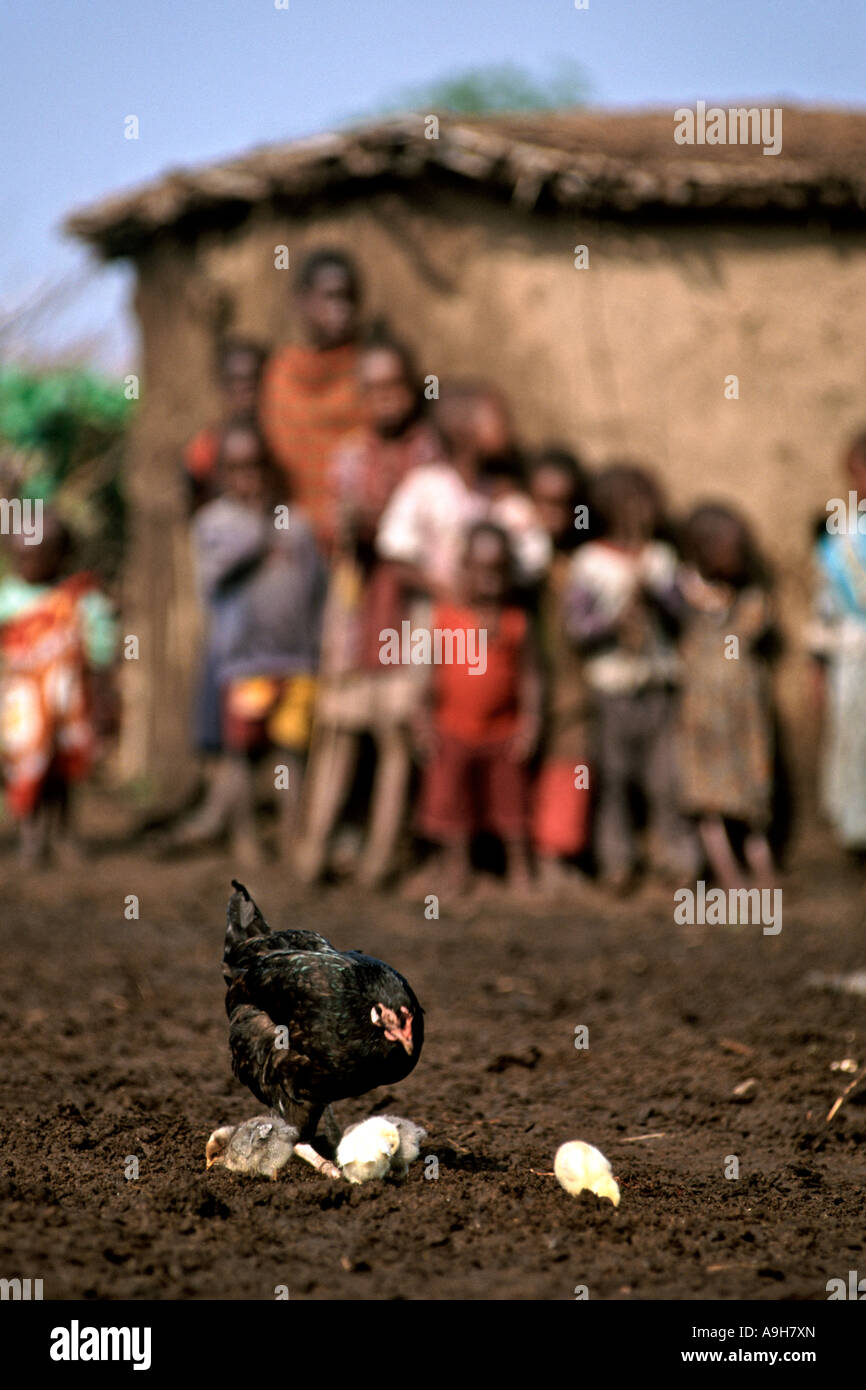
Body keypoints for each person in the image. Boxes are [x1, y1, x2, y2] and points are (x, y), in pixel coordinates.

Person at [295, 330, 439, 886]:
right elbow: (334, 533)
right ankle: (314, 849)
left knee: (397, 732)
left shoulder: (430, 454)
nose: (385, 397)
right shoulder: (351, 457)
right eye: (372, 387)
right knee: (339, 726)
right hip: (357, 608)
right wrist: (348, 527)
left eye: (394, 385)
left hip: (409, 608)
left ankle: (381, 855)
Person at [182, 421, 325, 862]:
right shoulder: (214, 524)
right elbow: (211, 580)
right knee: (241, 753)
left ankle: (292, 835)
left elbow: (318, 588)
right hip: (243, 660)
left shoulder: (296, 523)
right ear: (224, 474)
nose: (249, 478)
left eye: (257, 467)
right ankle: (244, 837)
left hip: (295, 658)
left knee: (291, 751)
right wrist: (260, 538)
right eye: (238, 469)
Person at [565, 463, 695, 891]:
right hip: (611, 686)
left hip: (656, 683)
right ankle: (617, 861)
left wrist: (655, 593)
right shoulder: (589, 562)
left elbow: (683, 613)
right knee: (613, 779)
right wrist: (613, 621)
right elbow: (577, 627)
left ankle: (676, 859)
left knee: (666, 779)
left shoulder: (661, 558)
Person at [413, 522, 542, 899]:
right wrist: (421, 720)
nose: (489, 580)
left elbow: (531, 677)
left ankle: (520, 869)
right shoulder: (446, 618)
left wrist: (531, 723)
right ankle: (458, 870)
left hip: (504, 732)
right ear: (464, 569)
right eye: (479, 570)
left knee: (512, 802)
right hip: (451, 729)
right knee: (451, 803)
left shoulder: (518, 623)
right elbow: (427, 673)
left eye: (497, 570)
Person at [0, 512, 116, 865]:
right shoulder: (7, 599)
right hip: (20, 711)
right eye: (22, 556)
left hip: (67, 707)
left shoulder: (80, 599)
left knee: (61, 772)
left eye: (38, 556)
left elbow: (101, 650)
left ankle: (64, 833)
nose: (29, 564)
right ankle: (31, 836)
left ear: (61, 556)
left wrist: (104, 703)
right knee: (24, 771)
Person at [675, 503, 777, 889]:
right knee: (708, 800)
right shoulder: (680, 594)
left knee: (753, 797)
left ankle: (765, 876)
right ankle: (730, 878)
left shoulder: (749, 599)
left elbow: (753, 627)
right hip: (701, 717)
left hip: (743, 716)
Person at [375, 381, 550, 600]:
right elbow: (394, 549)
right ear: (464, 430)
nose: (510, 429)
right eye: (500, 419)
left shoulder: (510, 500)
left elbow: (535, 560)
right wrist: (443, 590)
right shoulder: (424, 488)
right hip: (433, 624)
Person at [259, 248, 365, 545]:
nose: (342, 308)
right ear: (303, 302)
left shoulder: (370, 371)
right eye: (331, 297)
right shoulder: (281, 374)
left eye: (349, 298)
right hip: (294, 537)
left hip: (359, 537)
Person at [528, 449, 592, 892]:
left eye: (561, 505)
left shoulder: (579, 566)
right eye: (542, 503)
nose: (551, 515)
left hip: (568, 687)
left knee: (569, 764)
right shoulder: (514, 559)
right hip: (516, 681)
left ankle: (558, 855)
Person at [809, 431, 866, 859]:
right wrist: (818, 667)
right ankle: (857, 828)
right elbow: (824, 607)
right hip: (853, 658)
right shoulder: (840, 537)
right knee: (854, 740)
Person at [181, 338, 267, 512]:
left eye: (252, 380)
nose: (245, 390)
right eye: (236, 381)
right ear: (223, 387)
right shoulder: (206, 448)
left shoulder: (278, 438)